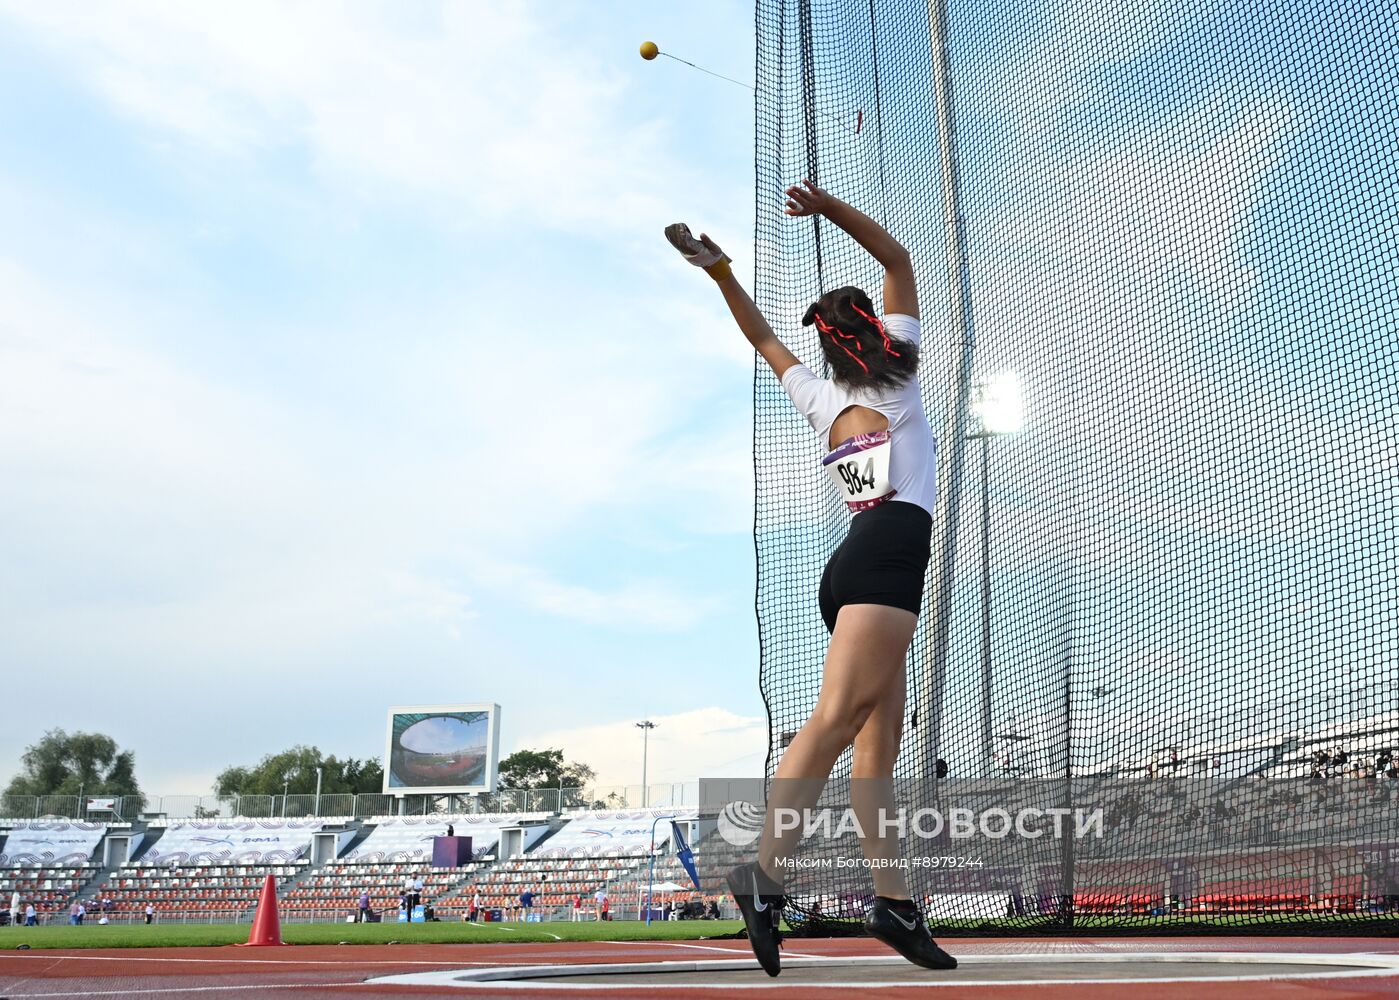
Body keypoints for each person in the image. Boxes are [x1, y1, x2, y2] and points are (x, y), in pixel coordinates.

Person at [667, 181, 956, 978]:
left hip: (859, 564)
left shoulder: (819, 394)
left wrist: (722, 273)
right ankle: (761, 879)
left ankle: (893, 906)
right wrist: (826, 208)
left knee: (877, 747)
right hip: (887, 556)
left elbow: (761, 336)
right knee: (833, 727)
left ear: (826, 346)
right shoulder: (897, 380)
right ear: (874, 328)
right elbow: (896, 256)